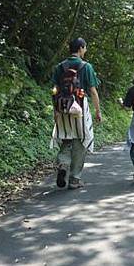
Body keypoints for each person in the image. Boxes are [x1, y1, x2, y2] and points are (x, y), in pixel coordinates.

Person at [50, 37, 102, 189]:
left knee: (66, 138)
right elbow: (92, 91)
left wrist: (55, 110)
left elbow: (54, 90)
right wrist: (98, 111)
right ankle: (74, 179)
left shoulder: (60, 67)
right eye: (85, 48)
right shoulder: (86, 67)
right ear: (80, 48)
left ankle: (63, 164)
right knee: (80, 141)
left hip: (62, 106)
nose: (85, 51)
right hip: (79, 106)